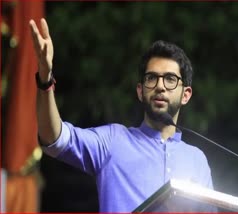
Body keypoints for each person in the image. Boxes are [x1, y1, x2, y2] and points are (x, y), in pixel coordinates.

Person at [29, 18, 214, 212]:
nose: (160, 86)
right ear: (140, 91)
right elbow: (54, 138)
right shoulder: (113, 142)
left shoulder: (197, 161)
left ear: (186, 95)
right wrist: (45, 80)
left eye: (170, 79)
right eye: (152, 78)